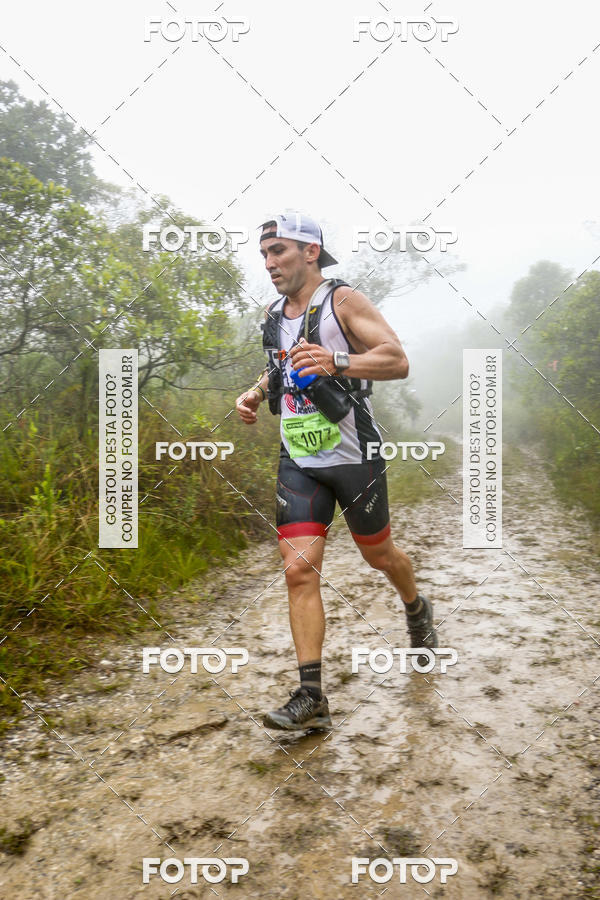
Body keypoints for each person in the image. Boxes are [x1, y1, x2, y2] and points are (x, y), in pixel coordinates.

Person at [235, 212, 437, 731]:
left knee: (379, 556)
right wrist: (258, 392)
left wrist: (338, 362)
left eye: (277, 250)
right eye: (263, 254)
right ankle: (312, 697)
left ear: (310, 251)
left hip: (355, 457)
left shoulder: (342, 301)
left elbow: (396, 359)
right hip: (298, 459)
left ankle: (416, 608)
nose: (269, 263)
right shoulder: (274, 312)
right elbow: (280, 362)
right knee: (299, 570)